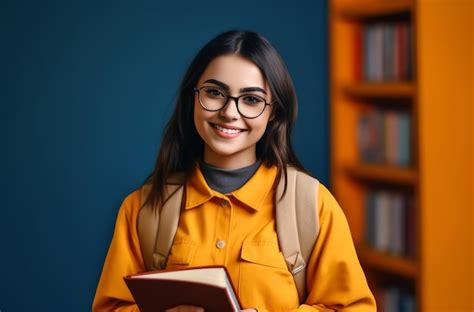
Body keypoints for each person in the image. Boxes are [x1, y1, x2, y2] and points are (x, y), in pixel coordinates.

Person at [92, 30, 376, 311]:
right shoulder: (142, 208)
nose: (229, 112)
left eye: (251, 99)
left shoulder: (313, 206)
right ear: (193, 96)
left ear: (273, 111)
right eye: (215, 93)